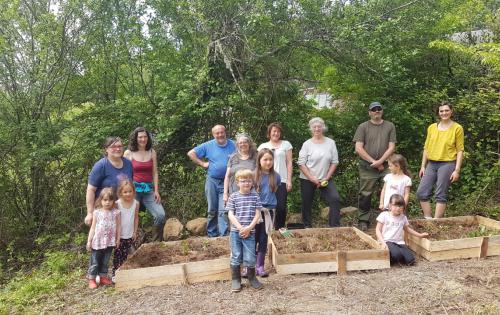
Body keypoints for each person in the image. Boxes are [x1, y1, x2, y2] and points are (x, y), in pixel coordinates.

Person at [353, 101, 397, 231]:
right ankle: (363, 220)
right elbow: (358, 148)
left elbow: (392, 147)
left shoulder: (390, 126)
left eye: (379, 109)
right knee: (365, 193)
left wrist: (381, 161)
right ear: (369, 112)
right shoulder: (363, 127)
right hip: (367, 166)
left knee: (391, 190)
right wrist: (374, 162)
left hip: (387, 165)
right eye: (373, 109)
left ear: (382, 111)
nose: (376, 111)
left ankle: (391, 219)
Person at [416, 101, 464, 219]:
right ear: (438, 113)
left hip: (447, 164)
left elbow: (460, 150)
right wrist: (423, 166)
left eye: (447, 110)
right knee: (421, 192)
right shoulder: (432, 127)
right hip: (431, 164)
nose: (444, 113)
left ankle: (437, 222)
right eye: (441, 111)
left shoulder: (457, 128)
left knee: (440, 194)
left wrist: (457, 170)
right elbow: (426, 148)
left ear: (451, 111)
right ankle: (428, 219)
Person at [188, 125, 236, 237]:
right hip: (212, 181)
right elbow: (191, 153)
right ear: (213, 134)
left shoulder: (234, 144)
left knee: (224, 210)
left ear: (225, 132)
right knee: (212, 209)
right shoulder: (208, 145)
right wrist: (202, 163)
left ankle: (224, 235)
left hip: (228, 182)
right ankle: (212, 234)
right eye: (217, 133)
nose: (220, 135)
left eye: (221, 132)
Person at [297, 117, 341, 228]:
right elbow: (301, 163)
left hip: (325, 178)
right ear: (311, 129)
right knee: (306, 203)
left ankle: (334, 227)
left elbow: (334, 162)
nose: (317, 129)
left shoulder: (331, 143)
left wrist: (326, 177)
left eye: (319, 126)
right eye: (314, 127)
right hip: (308, 178)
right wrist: (312, 178)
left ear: (323, 128)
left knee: (335, 199)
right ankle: (307, 226)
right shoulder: (306, 144)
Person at [124, 127, 166, 241]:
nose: (143, 139)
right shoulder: (128, 153)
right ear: (135, 138)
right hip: (133, 191)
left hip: (148, 190)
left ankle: (156, 244)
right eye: (140, 137)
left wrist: (156, 190)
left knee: (160, 215)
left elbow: (155, 172)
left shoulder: (152, 152)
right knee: (131, 217)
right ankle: (131, 245)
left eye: (145, 136)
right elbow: (124, 173)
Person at [227, 169, 263, 292]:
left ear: (252, 182)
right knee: (236, 255)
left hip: (250, 232)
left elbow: (258, 214)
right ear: (237, 182)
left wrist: (249, 228)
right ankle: (236, 280)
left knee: (250, 257)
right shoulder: (233, 197)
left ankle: (252, 278)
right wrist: (241, 227)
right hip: (235, 232)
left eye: (249, 181)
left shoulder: (255, 196)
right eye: (243, 181)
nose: (246, 183)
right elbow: (231, 214)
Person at [85, 137, 133, 226]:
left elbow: (130, 187)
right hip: (104, 211)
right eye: (113, 147)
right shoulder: (101, 165)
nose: (117, 149)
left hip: (123, 210)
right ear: (106, 149)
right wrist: (90, 213)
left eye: (120, 146)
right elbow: (90, 190)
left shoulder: (128, 164)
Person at [376, 194, 429, 265]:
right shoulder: (384, 215)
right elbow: (377, 230)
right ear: (390, 205)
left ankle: (399, 257)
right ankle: (391, 257)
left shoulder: (403, 217)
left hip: (399, 242)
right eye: (395, 205)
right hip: (387, 240)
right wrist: (382, 242)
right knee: (397, 255)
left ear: (403, 207)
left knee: (411, 260)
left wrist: (420, 235)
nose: (398, 208)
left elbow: (407, 229)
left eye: (400, 206)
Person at [257, 122, 293, 229]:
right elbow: (258, 164)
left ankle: (279, 228)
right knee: (265, 205)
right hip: (265, 179)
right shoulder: (263, 146)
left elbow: (289, 162)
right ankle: (265, 229)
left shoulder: (286, 144)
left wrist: (289, 180)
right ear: (269, 133)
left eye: (278, 131)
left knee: (281, 206)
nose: (276, 133)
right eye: (274, 131)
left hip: (281, 179)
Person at [86, 187, 121, 289]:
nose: (107, 202)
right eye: (105, 200)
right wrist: (89, 240)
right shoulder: (97, 212)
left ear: (113, 201)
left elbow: (118, 226)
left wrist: (118, 239)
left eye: (110, 200)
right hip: (97, 242)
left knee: (105, 261)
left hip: (109, 242)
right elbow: (93, 228)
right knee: (95, 262)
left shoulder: (116, 213)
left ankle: (103, 277)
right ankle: (92, 279)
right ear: (100, 200)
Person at [254, 149, 280, 277]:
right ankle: (250, 266)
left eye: (270, 159)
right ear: (259, 161)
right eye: (265, 159)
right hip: (254, 212)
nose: (268, 162)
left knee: (263, 239)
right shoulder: (253, 175)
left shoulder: (276, 176)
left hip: (268, 212)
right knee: (252, 239)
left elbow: (275, 190)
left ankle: (260, 266)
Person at [112, 180, 139, 280]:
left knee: (129, 255)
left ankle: (127, 273)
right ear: (120, 193)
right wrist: (116, 236)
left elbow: (136, 218)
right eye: (125, 192)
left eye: (130, 191)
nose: (128, 194)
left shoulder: (136, 203)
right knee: (118, 256)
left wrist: (135, 232)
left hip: (130, 234)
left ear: (133, 191)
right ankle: (115, 274)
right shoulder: (117, 204)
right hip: (120, 235)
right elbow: (114, 219)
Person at [223, 133, 257, 205]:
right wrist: (225, 193)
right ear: (237, 145)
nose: (243, 144)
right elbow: (227, 176)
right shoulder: (233, 157)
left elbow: (258, 175)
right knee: (232, 213)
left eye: (245, 142)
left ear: (249, 143)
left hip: (250, 194)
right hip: (233, 193)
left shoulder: (255, 157)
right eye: (240, 143)